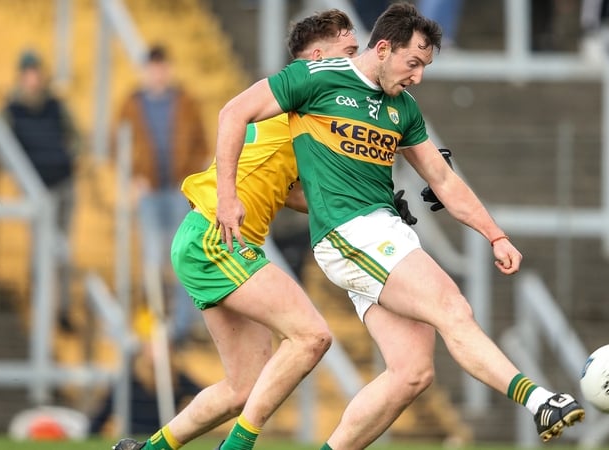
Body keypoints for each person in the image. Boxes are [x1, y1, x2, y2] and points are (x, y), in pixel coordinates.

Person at [213, 3, 585, 448]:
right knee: (453, 307)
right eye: (413, 63)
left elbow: (443, 179)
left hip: (381, 233)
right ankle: (540, 401)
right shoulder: (316, 78)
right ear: (384, 48)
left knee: (412, 374)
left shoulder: (402, 108)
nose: (418, 77)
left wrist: (495, 234)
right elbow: (233, 113)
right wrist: (226, 196)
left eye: (425, 67)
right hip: (350, 233)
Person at [112, 9, 361, 450]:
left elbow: (287, 191)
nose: (355, 61)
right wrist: (227, 196)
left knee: (243, 388)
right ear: (317, 58)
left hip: (211, 237)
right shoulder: (300, 91)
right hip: (214, 233)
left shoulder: (305, 109)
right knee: (312, 335)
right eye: (349, 51)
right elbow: (231, 114)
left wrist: (360, 205)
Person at [114, 44, 211, 346]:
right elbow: (115, 144)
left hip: (178, 191)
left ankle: (182, 325)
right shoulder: (131, 105)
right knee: (153, 258)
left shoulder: (185, 102)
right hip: (149, 192)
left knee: (184, 257)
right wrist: (132, 178)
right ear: (145, 71)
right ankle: (153, 322)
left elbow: (201, 144)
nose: (157, 74)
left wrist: (190, 178)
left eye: (161, 68)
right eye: (152, 68)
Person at [1, 49, 81, 332]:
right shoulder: (11, 110)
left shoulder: (56, 106)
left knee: (62, 250)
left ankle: (62, 309)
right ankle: (40, 310)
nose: (33, 79)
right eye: (29, 73)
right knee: (40, 251)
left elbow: (77, 137)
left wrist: (70, 159)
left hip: (62, 185)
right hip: (37, 191)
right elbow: (5, 148)